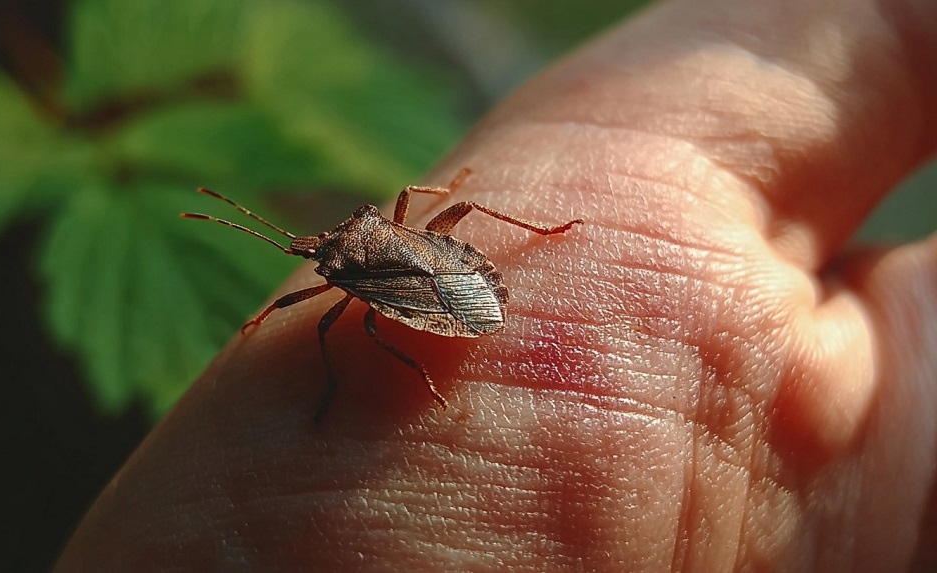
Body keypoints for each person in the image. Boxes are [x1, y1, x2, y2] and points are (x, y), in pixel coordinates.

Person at [56, 0, 937, 570]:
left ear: (341, 246)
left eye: (322, 251)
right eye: (317, 257)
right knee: (348, 328)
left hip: (445, 289)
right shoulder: (346, 262)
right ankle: (512, 257)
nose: (316, 257)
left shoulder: (353, 264)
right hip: (448, 286)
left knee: (353, 329)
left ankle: (529, 243)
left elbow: (355, 301)